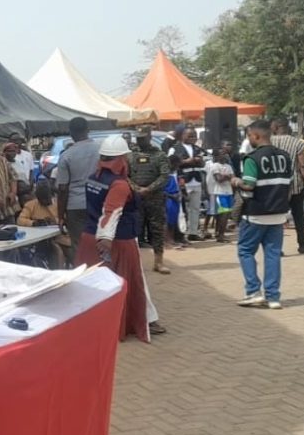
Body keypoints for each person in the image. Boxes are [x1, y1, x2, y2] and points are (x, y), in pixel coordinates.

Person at [74, 136, 164, 340]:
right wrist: (106, 239)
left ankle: (95, 321)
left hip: (90, 237)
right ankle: (144, 320)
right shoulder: (119, 185)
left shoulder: (93, 178)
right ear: (121, 159)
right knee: (133, 282)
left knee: (93, 283)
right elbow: (111, 212)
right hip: (117, 240)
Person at [233, 120, 292, 310]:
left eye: (249, 135)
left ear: (256, 136)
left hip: (256, 213)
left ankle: (253, 292)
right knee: (273, 255)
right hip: (278, 213)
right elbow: (288, 185)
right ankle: (273, 297)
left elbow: (249, 185)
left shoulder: (252, 158)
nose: (248, 139)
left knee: (245, 250)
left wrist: (235, 181)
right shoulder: (284, 157)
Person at [128, 126, 171, 274]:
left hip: (155, 198)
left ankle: (158, 262)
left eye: (143, 138)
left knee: (157, 230)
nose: (140, 141)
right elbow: (125, 175)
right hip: (136, 199)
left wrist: (149, 189)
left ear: (150, 137)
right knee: (134, 230)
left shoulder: (159, 155)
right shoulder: (130, 156)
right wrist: (136, 188)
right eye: (138, 138)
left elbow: (164, 176)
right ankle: (134, 264)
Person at [270, 117, 304, 254]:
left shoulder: (269, 142)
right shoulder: (297, 143)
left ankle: (276, 248)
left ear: (276, 127)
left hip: (274, 184)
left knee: (277, 217)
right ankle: (303, 244)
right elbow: (303, 166)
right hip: (294, 184)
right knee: (298, 215)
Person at [57, 117, 101, 254]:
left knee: (79, 245)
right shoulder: (101, 150)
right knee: (99, 242)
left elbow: (62, 189)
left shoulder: (66, 155)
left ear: (70, 133)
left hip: (75, 206)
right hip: (98, 202)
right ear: (88, 130)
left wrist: (60, 216)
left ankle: (83, 267)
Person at [18, 184, 72, 269]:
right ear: (38, 199)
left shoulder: (58, 203)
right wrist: (34, 223)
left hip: (58, 236)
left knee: (63, 249)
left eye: (47, 199)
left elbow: (66, 220)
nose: (46, 201)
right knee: (55, 248)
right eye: (43, 200)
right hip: (40, 238)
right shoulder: (31, 205)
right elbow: (20, 220)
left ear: (51, 195)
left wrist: (55, 221)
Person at [169, 126, 206, 241]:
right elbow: (170, 163)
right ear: (182, 136)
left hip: (196, 180)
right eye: (190, 136)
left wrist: (200, 161)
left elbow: (203, 163)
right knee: (182, 209)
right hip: (183, 181)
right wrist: (186, 161)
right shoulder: (175, 148)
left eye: (194, 136)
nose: (193, 138)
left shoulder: (197, 148)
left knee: (195, 208)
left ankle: (193, 232)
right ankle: (181, 234)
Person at [204, 147, 235, 243]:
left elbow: (233, 178)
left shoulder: (228, 166)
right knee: (223, 214)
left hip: (228, 191)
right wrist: (227, 176)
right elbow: (219, 179)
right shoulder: (215, 166)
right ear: (217, 156)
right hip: (219, 192)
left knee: (226, 214)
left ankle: (220, 233)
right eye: (221, 154)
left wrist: (225, 176)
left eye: (225, 154)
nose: (224, 155)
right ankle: (220, 235)